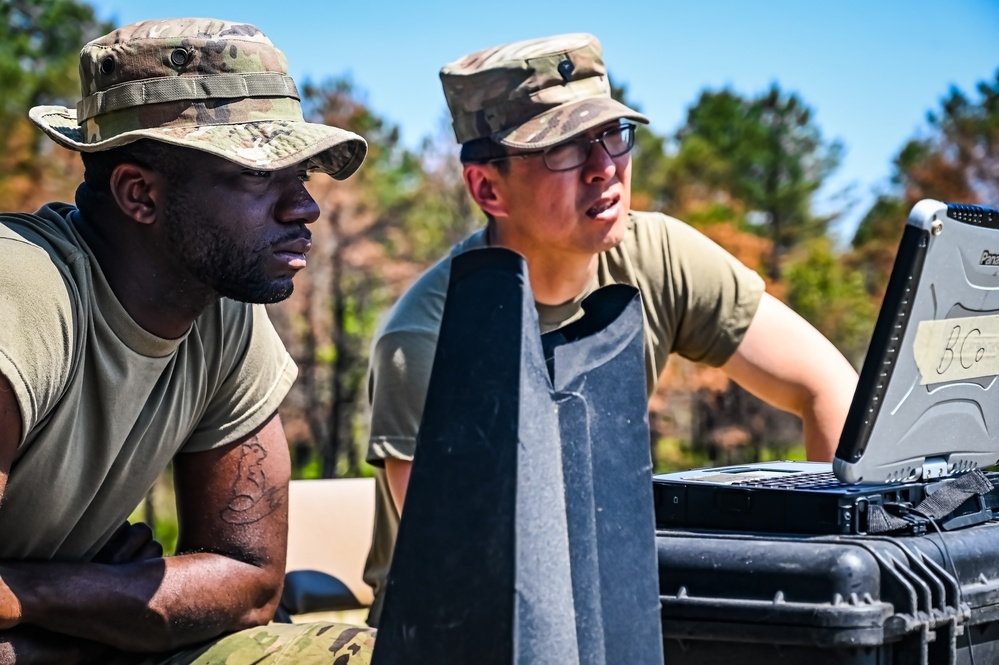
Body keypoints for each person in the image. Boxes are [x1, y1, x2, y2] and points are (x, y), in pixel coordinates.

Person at [362, 33, 860, 625]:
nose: (605, 169)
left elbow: (829, 388)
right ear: (488, 188)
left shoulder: (658, 256)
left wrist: (834, 587)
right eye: (564, 149)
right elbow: (460, 568)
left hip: (612, 604)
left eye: (612, 135)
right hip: (449, 630)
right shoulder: (427, 340)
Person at [0, 18, 376, 664]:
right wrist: (113, 609)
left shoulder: (220, 307)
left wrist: (40, 597)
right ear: (139, 193)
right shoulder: (24, 293)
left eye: (303, 173)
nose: (305, 208)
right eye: (260, 176)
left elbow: (250, 582)